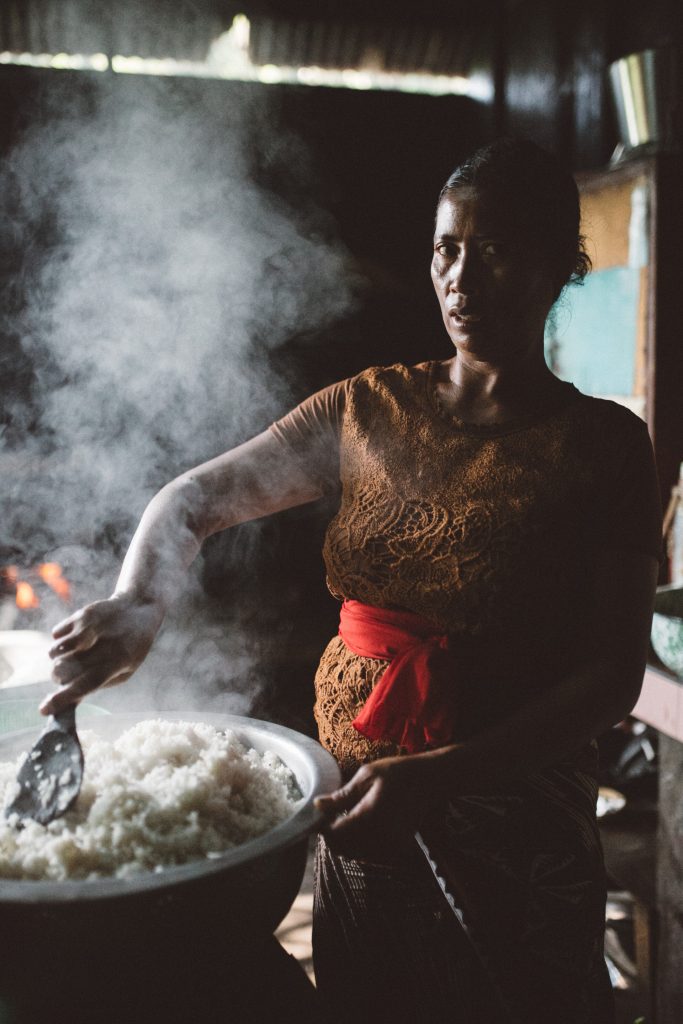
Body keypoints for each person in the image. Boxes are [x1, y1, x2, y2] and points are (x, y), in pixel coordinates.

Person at [44, 138, 662, 1024]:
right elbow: (193, 500)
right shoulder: (366, 410)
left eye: (494, 251)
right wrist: (139, 602)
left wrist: (441, 777)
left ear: (561, 263)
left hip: (516, 833)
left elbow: (610, 676)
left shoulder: (604, 446)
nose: (461, 277)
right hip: (367, 821)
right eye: (447, 248)